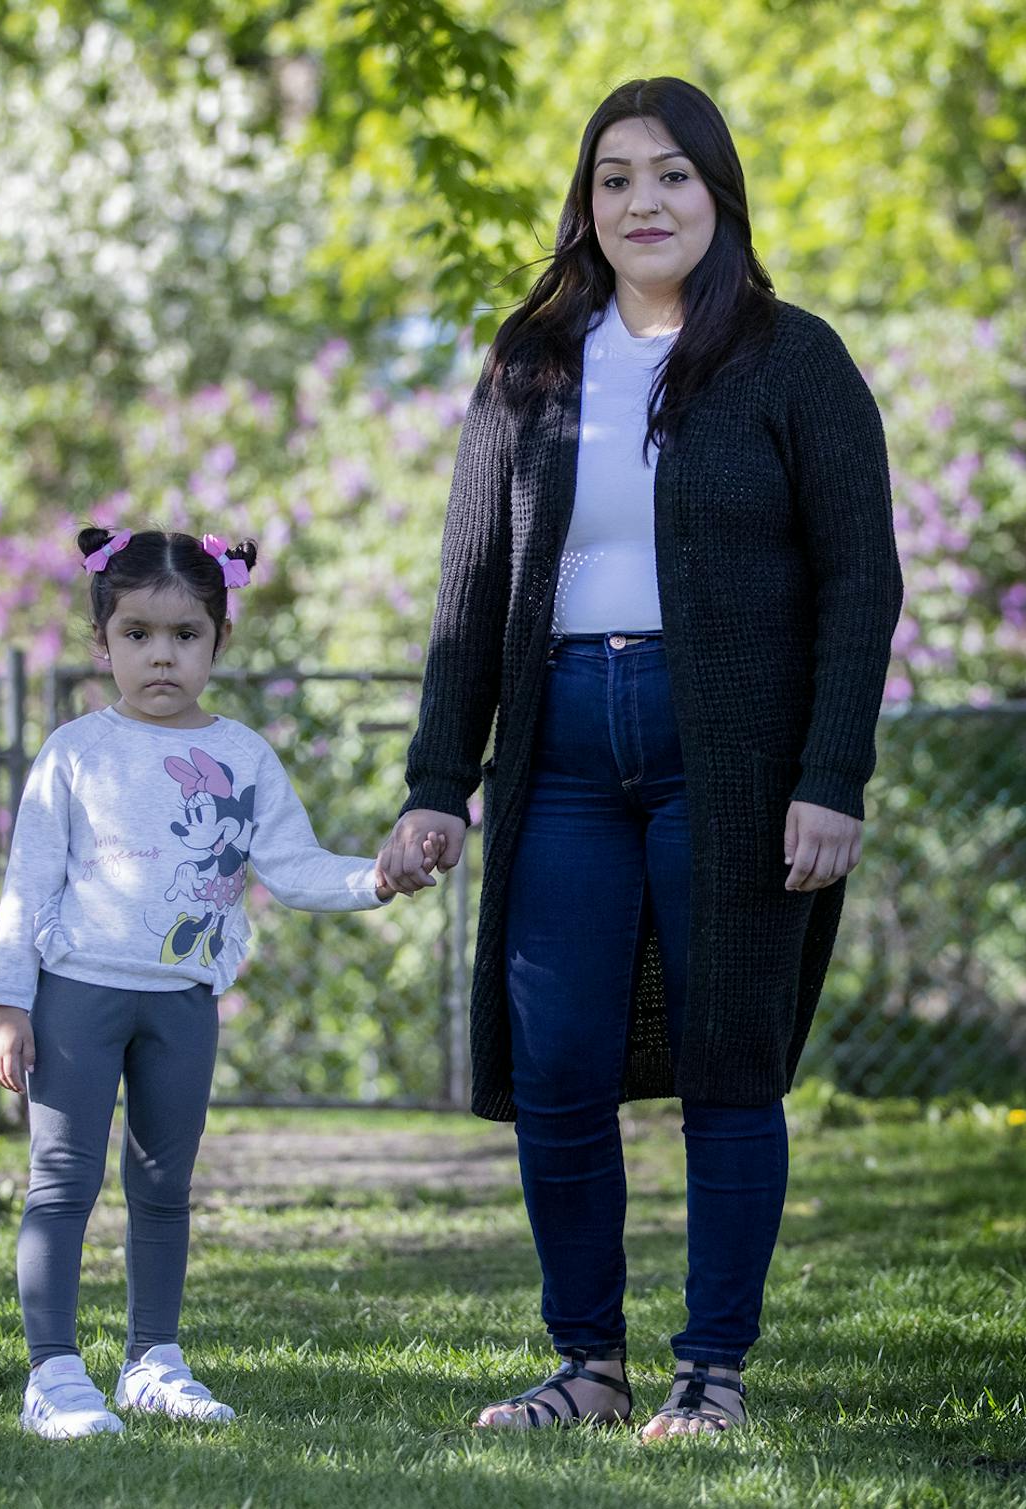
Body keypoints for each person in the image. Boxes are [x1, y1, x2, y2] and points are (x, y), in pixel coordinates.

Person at [378, 76, 902, 1437]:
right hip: (557, 752)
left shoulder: (793, 359)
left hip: (730, 758)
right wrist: (437, 784)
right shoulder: (532, 362)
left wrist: (830, 776)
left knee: (729, 1061)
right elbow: (471, 587)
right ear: (587, 204)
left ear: (718, 193)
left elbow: (862, 581)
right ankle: (588, 1370)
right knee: (556, 1064)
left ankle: (711, 1373)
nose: (642, 201)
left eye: (671, 174)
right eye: (614, 178)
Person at [0, 526, 424, 1440]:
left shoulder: (245, 756)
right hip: (74, 1000)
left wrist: (375, 878)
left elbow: (293, 866)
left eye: (185, 634)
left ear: (220, 640)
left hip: (184, 1004)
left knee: (162, 1187)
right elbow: (27, 884)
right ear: (102, 641)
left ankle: (152, 1360)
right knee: (61, 1183)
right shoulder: (74, 751)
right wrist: (8, 1003)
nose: (161, 655)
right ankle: (53, 1374)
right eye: (138, 633)